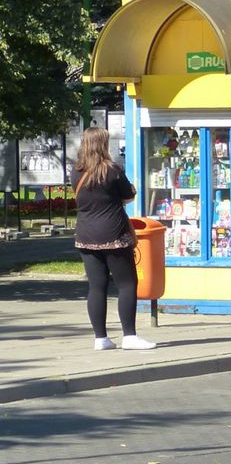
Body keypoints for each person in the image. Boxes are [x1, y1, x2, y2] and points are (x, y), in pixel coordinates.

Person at [73, 127, 156, 351]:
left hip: (86, 235)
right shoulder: (113, 170)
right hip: (114, 234)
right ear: (103, 144)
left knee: (96, 287)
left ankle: (101, 338)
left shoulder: (76, 171)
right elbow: (127, 197)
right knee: (127, 284)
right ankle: (129, 336)